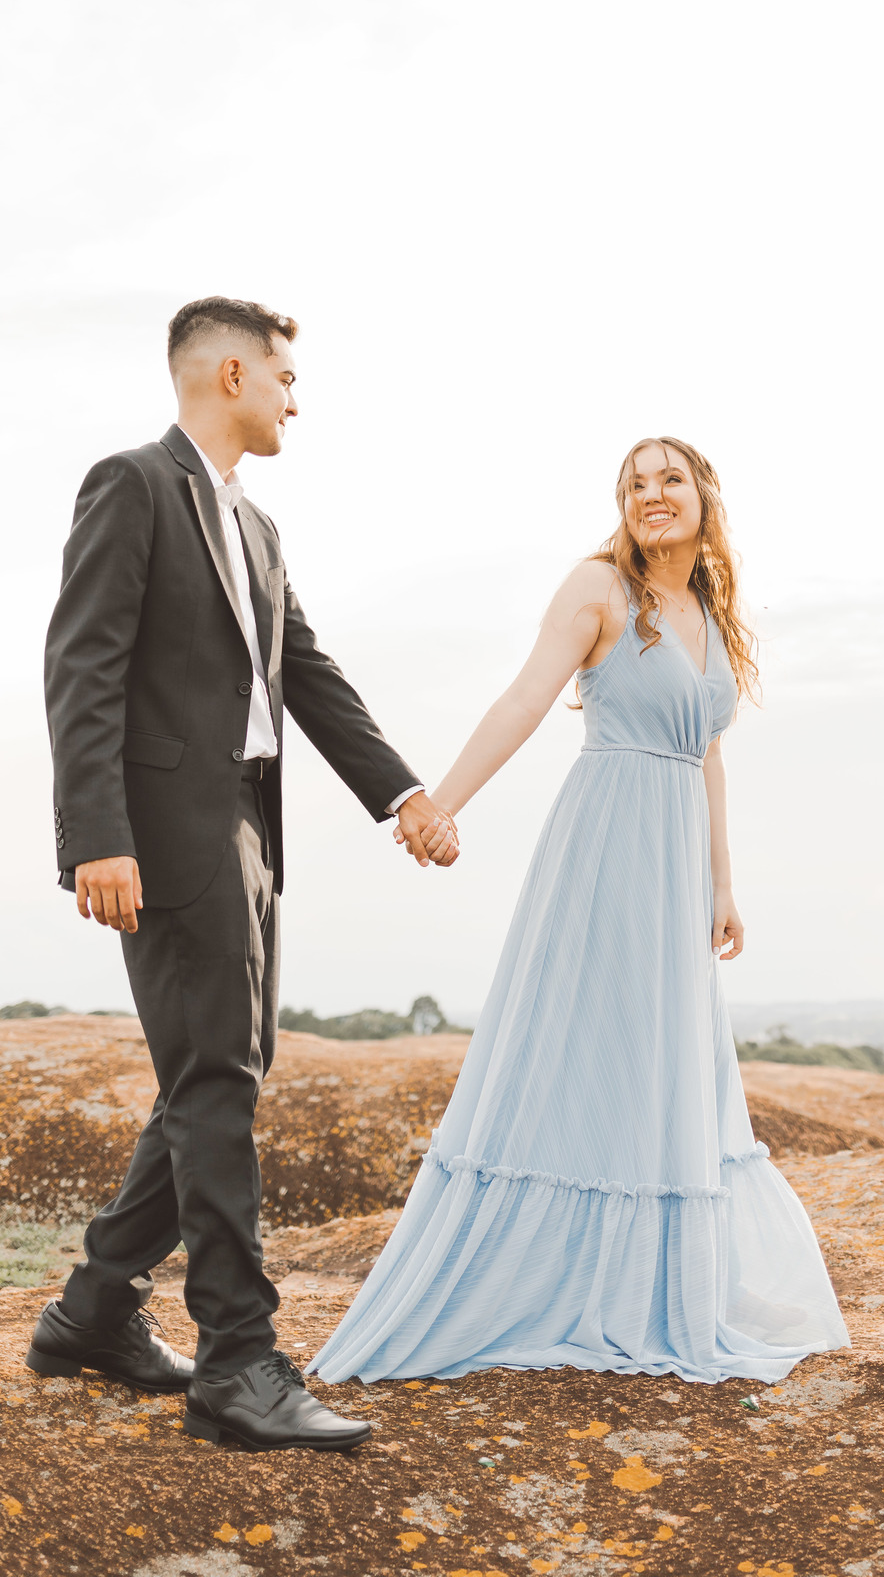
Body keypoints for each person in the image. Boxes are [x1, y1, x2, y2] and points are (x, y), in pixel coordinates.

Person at [311, 436, 849, 1385]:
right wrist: (439, 801)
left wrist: (723, 883)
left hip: (677, 850)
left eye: (670, 479)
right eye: (635, 484)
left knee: (659, 1056)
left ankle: (647, 1284)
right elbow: (527, 696)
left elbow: (708, 750)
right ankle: (543, 1276)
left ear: (704, 496)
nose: (652, 495)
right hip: (607, 840)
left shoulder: (711, 611)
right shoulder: (597, 588)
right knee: (590, 1047)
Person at [31, 296, 457, 1451]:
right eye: (285, 379)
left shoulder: (258, 529)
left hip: (248, 833)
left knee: (221, 1071)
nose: (294, 399)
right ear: (230, 374)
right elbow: (82, 669)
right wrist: (96, 836)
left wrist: (403, 794)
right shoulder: (130, 486)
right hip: (164, 832)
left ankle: (91, 1312)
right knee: (217, 1078)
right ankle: (240, 1362)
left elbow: (304, 674)